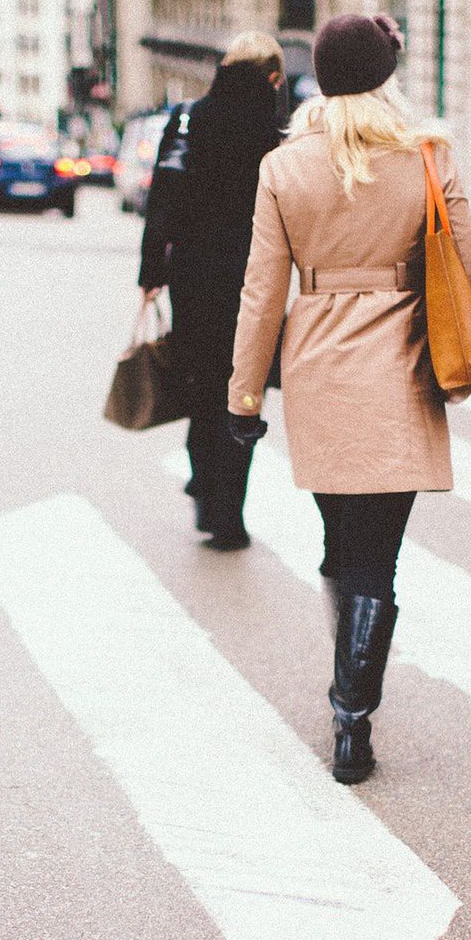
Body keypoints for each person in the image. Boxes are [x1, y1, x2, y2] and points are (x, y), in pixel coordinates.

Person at [225, 13, 471, 785]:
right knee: (379, 559)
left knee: (343, 548)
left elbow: (261, 292)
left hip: (318, 375)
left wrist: (244, 397)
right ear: (384, 75)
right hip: (400, 373)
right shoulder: (426, 157)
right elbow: (469, 267)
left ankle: (349, 691)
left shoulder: (285, 167)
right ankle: (352, 718)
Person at [138, 32, 286, 551]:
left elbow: (164, 196)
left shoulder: (186, 119)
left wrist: (150, 270)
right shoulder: (276, 130)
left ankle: (205, 486)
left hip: (195, 277)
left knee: (204, 385)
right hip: (255, 282)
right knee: (244, 393)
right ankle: (230, 515)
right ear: (271, 77)